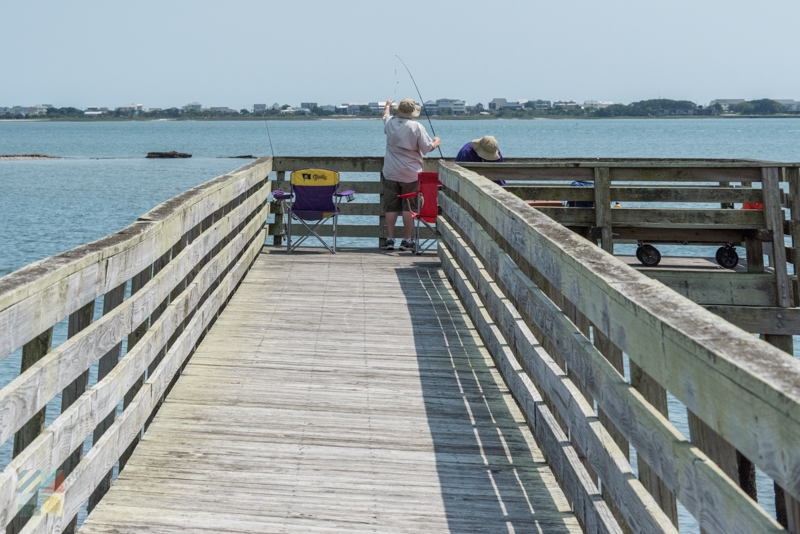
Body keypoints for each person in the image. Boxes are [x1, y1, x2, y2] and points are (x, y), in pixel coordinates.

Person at [381, 98, 441, 251]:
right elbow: (427, 148)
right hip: (410, 173)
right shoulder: (416, 127)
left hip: (390, 171)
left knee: (391, 207)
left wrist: (387, 105)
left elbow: (385, 115)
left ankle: (389, 239)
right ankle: (407, 240)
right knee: (409, 207)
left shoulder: (390, 122)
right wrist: (436, 143)